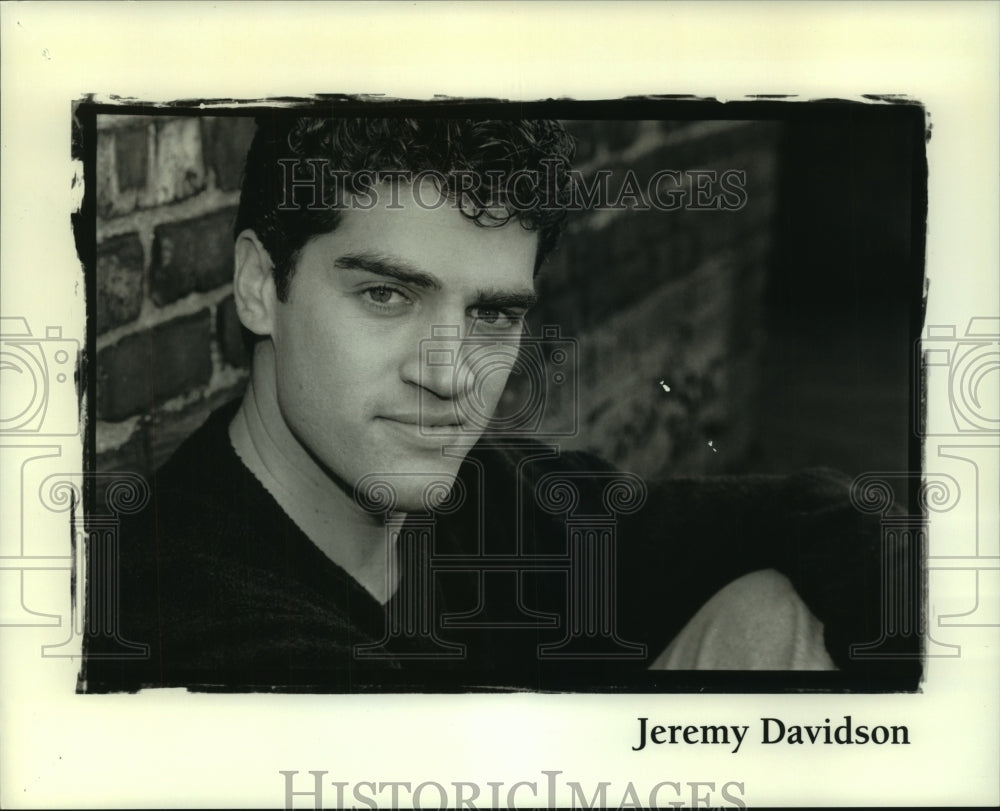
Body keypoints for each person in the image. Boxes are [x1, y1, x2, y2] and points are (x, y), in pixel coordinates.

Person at [83, 116, 917, 692]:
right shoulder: (182, 620)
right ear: (261, 287)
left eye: (491, 312)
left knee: (778, 609)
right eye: (385, 295)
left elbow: (810, 518)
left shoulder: (492, 499)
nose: (451, 376)